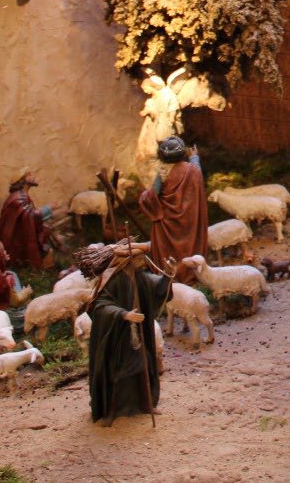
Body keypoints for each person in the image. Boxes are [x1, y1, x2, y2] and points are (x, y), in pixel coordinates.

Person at [80, 239, 170, 426]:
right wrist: (123, 314)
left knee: (144, 365)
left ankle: (146, 403)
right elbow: (101, 306)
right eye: (138, 258)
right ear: (129, 261)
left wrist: (168, 275)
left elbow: (158, 289)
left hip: (138, 334)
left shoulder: (141, 277)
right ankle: (111, 411)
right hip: (117, 336)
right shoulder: (112, 279)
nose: (143, 261)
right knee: (118, 373)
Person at [138, 136, 207, 273]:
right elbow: (197, 172)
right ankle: (188, 272)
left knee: (168, 251)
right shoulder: (193, 170)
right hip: (189, 220)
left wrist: (143, 196)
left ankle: (169, 274)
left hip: (167, 223)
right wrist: (194, 157)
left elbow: (152, 196)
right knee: (189, 246)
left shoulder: (163, 172)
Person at [0, 168, 53, 269]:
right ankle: (35, 264)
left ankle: (46, 262)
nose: (33, 176)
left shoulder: (23, 196)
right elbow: (31, 215)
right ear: (22, 179)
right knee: (45, 232)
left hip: (22, 233)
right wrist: (48, 209)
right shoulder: (18, 198)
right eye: (29, 175)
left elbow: (28, 215)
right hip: (16, 240)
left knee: (47, 230)